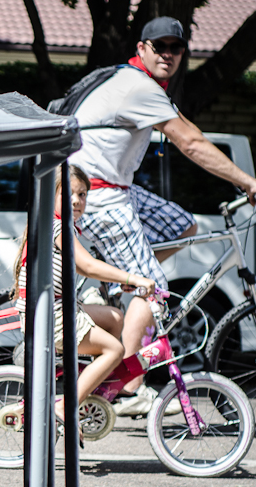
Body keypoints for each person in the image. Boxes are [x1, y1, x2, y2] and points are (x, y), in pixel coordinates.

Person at [69, 16, 256, 416]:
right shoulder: (139, 87)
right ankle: (126, 385)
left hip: (114, 188)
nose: (167, 54)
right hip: (96, 195)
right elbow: (191, 142)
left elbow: (187, 132)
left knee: (182, 225)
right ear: (142, 48)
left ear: (183, 53)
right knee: (154, 290)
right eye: (159, 46)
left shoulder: (137, 83)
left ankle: (119, 289)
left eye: (175, 48)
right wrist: (249, 183)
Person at [13, 166, 156, 438]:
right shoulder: (56, 226)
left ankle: (94, 384)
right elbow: (88, 266)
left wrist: (122, 280)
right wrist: (133, 277)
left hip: (52, 306)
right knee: (114, 350)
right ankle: (67, 406)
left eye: (82, 194)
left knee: (114, 317)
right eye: (68, 194)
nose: (77, 200)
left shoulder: (53, 223)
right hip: (50, 314)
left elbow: (77, 267)